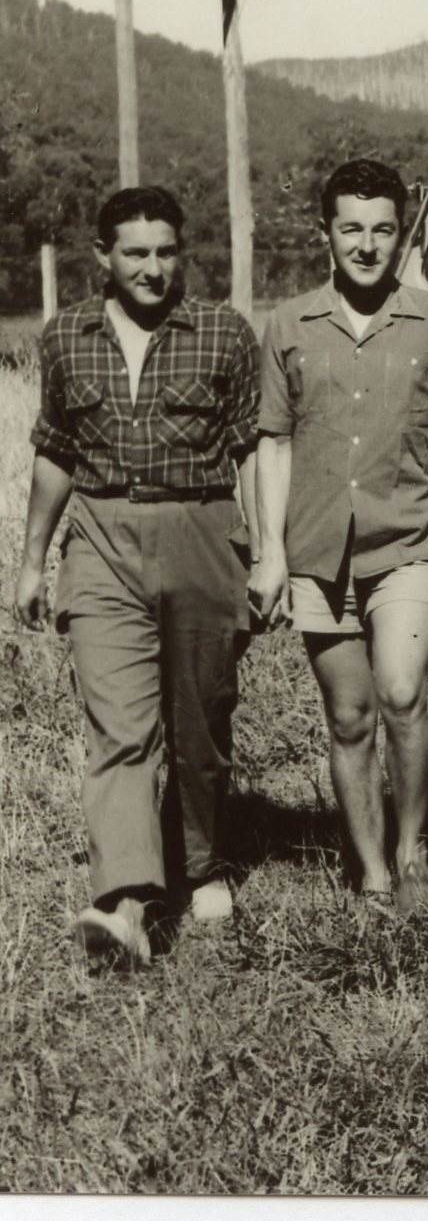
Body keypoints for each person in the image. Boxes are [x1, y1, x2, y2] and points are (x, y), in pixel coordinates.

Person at [13, 186, 259, 964]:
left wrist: (265, 553)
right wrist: (31, 561)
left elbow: (252, 447)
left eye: (165, 252)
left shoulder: (222, 332)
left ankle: (203, 864)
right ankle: (124, 901)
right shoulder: (65, 338)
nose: (153, 268)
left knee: (200, 722)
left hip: (200, 531)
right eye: (135, 253)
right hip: (100, 538)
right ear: (103, 258)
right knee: (119, 729)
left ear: (181, 253)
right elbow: (55, 451)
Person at [252, 160, 428, 916]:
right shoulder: (287, 325)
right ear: (326, 234)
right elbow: (271, 442)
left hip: (410, 537)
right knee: (349, 715)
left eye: (382, 230)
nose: (367, 245)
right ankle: (371, 871)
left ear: (399, 233)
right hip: (317, 547)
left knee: (402, 693)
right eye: (352, 229)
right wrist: (271, 553)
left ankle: (414, 857)